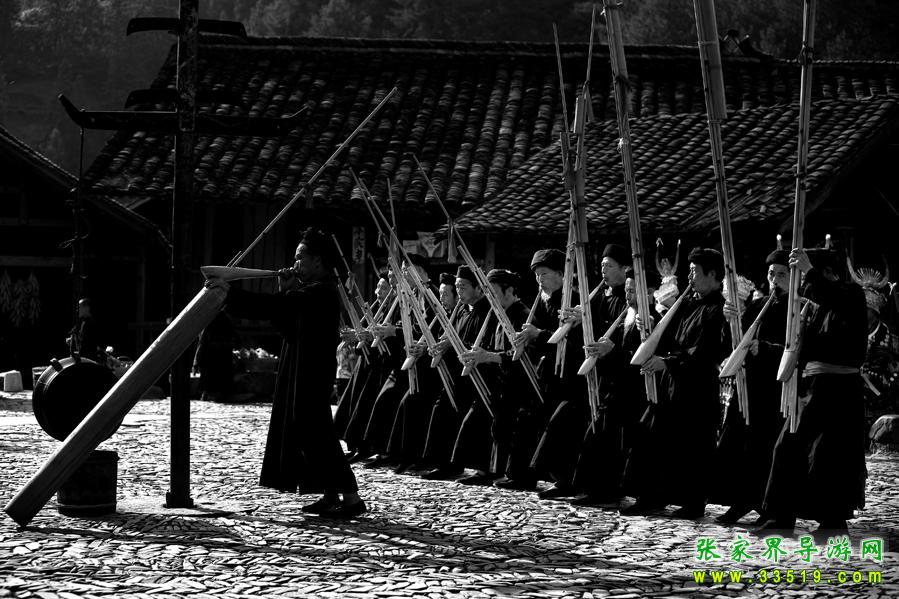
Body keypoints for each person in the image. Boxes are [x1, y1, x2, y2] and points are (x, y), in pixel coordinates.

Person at [206, 227, 365, 518]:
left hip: (313, 372)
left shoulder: (322, 291)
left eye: (300, 258)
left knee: (316, 432)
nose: (295, 264)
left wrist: (230, 293)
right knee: (308, 431)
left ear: (317, 260)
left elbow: (274, 306)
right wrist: (284, 290)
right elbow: (287, 326)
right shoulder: (308, 291)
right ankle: (330, 494)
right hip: (300, 366)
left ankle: (352, 498)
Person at [759, 244, 868, 537]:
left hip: (841, 388)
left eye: (814, 276)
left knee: (831, 456)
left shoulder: (851, 295)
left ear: (829, 273)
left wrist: (809, 270)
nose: (808, 284)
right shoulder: (814, 306)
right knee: (787, 446)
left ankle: (833, 521)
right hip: (812, 386)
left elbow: (834, 300)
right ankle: (780, 516)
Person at [622, 247, 730, 519]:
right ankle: (651, 496)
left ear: (712, 274)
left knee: (693, 445)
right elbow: (668, 335)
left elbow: (706, 351)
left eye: (694, 272)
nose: (690, 277)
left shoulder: (719, 309)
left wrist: (668, 362)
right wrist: (650, 328)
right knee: (653, 436)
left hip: (697, 385)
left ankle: (692, 504)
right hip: (672, 382)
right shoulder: (688, 303)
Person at [710, 246, 790, 524]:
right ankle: (741, 500)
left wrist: (765, 348)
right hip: (750, 385)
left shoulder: (798, 308)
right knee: (740, 445)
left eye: (781, 274)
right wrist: (729, 321)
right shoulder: (758, 306)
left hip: (777, 388)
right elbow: (733, 342)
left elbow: (798, 347)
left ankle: (770, 507)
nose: (774, 280)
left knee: (766, 448)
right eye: (771, 274)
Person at [193, 312, 239, 402]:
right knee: (214, 377)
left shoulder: (215, 319)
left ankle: (211, 394)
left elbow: (202, 342)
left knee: (213, 378)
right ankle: (212, 394)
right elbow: (203, 342)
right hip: (215, 355)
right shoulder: (215, 319)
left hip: (216, 355)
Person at [67, 298, 103, 363]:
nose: (77, 310)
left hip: (88, 360)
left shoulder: (92, 324)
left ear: (86, 308)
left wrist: (76, 344)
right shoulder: (81, 322)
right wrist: (72, 340)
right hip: (82, 359)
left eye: (79, 307)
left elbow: (88, 344)